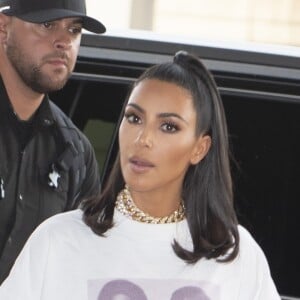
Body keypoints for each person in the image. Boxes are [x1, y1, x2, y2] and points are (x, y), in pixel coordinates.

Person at [0, 51, 281, 300]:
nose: (143, 138)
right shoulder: (60, 240)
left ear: (200, 148)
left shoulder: (234, 255)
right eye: (134, 118)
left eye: (168, 126)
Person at [0, 0, 105, 283]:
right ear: (3, 27)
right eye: (47, 25)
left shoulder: (75, 154)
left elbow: (76, 273)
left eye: (74, 29)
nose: (63, 41)